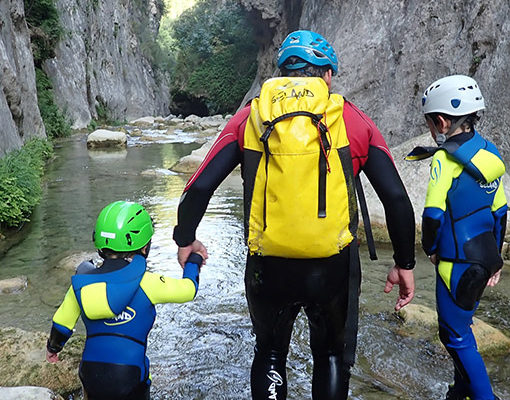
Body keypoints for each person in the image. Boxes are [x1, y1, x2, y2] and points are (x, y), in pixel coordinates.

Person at [174, 30, 416, 400]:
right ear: (328, 76)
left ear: (283, 71)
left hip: (266, 264)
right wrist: (404, 262)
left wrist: (185, 238)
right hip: (333, 265)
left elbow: (200, 185)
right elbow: (397, 198)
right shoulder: (351, 120)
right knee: (331, 355)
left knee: (270, 352)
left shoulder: (250, 118)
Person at [408, 75, 508, 400]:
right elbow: (500, 213)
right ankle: (460, 391)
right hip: (485, 258)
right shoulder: (489, 152)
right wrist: (497, 262)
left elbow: (433, 213)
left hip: (456, 262)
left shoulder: (444, 158)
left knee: (454, 336)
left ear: (441, 121)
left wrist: (430, 249)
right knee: (461, 328)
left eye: (431, 123)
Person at [46, 201, 204, 400]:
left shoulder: (81, 285)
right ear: (145, 247)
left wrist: (53, 349)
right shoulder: (149, 283)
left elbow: (61, 324)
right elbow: (189, 290)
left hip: (90, 372)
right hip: (129, 374)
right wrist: (194, 261)